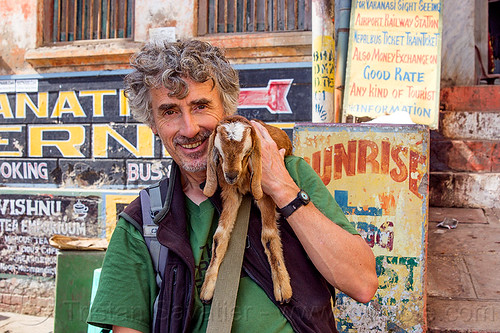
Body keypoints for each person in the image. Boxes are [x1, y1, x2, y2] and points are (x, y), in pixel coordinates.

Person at [87, 39, 378, 333]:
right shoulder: (144, 221)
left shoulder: (291, 175)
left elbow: (362, 284)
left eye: (200, 106)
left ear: (228, 110)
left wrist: (282, 189)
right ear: (154, 125)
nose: (189, 129)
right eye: (170, 112)